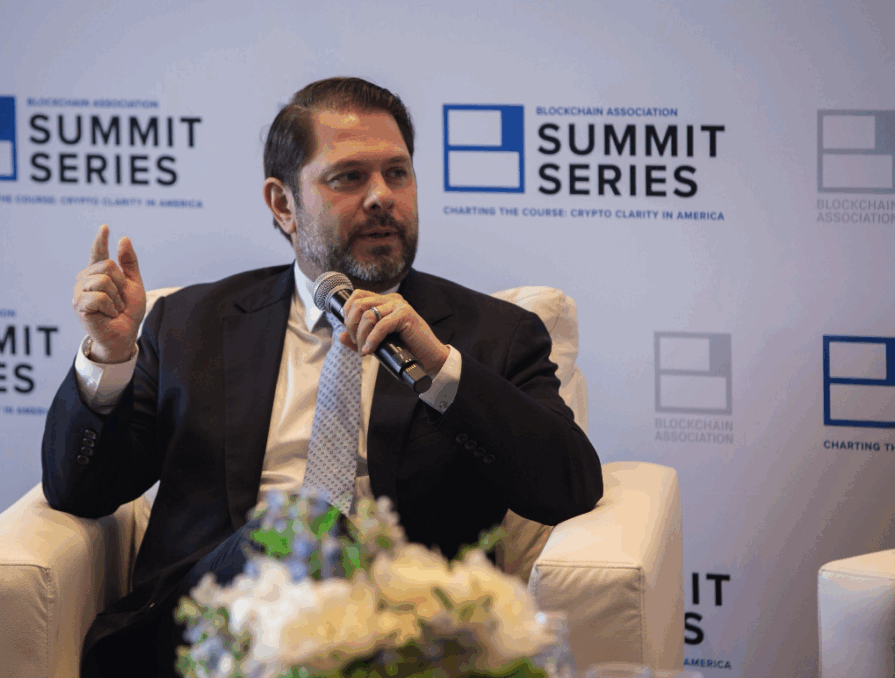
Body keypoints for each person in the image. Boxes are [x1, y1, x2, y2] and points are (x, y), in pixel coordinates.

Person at [42, 76, 603, 678]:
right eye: (348, 177)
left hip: (398, 637)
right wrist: (109, 356)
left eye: (397, 173)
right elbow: (82, 493)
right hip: (211, 629)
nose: (381, 197)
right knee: (304, 529)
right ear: (283, 204)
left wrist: (442, 370)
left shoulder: (493, 336)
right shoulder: (190, 323)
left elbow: (567, 489)